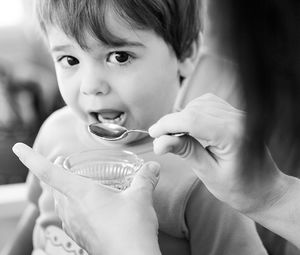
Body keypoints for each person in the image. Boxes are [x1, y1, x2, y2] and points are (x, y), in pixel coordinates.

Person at [3, 1, 268, 255]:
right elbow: (36, 214)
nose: (90, 85)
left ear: (186, 51)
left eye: (119, 57)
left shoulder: (205, 174)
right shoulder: (54, 131)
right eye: (70, 60)